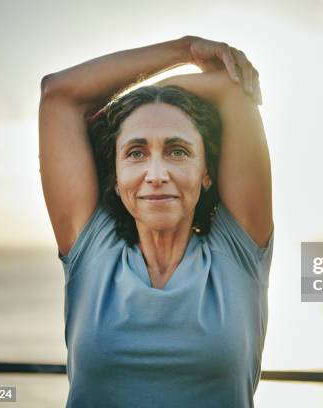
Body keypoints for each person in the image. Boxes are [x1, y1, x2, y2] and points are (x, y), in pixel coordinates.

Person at [38, 36, 274, 407]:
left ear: (206, 172)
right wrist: (187, 49)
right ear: (116, 177)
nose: (156, 173)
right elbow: (58, 94)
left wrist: (153, 95)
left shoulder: (238, 253)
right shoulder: (92, 251)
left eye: (177, 151)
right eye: (136, 153)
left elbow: (232, 89)